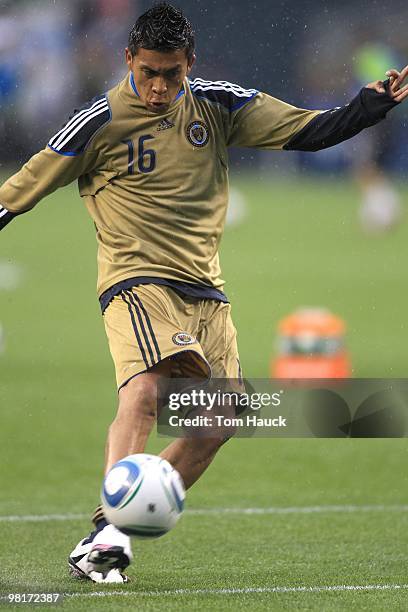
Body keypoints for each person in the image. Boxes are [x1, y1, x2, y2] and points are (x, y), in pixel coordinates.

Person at [1, 2, 407, 584]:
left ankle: (106, 535)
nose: (160, 86)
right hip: (135, 280)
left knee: (221, 417)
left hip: (206, 291)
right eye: (148, 73)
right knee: (144, 390)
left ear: (190, 62)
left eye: (172, 73)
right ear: (128, 61)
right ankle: (113, 528)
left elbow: (310, 132)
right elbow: (19, 189)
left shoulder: (218, 104)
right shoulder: (99, 121)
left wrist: (372, 104)